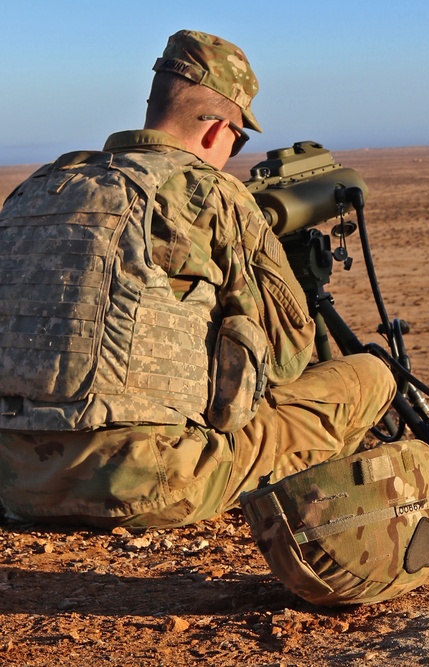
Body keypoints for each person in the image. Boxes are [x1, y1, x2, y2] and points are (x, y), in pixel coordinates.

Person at [0, 30, 397, 528]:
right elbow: (286, 361)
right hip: (150, 484)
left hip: (13, 483)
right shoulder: (211, 192)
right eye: (239, 138)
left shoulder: (36, 188)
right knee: (369, 375)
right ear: (217, 130)